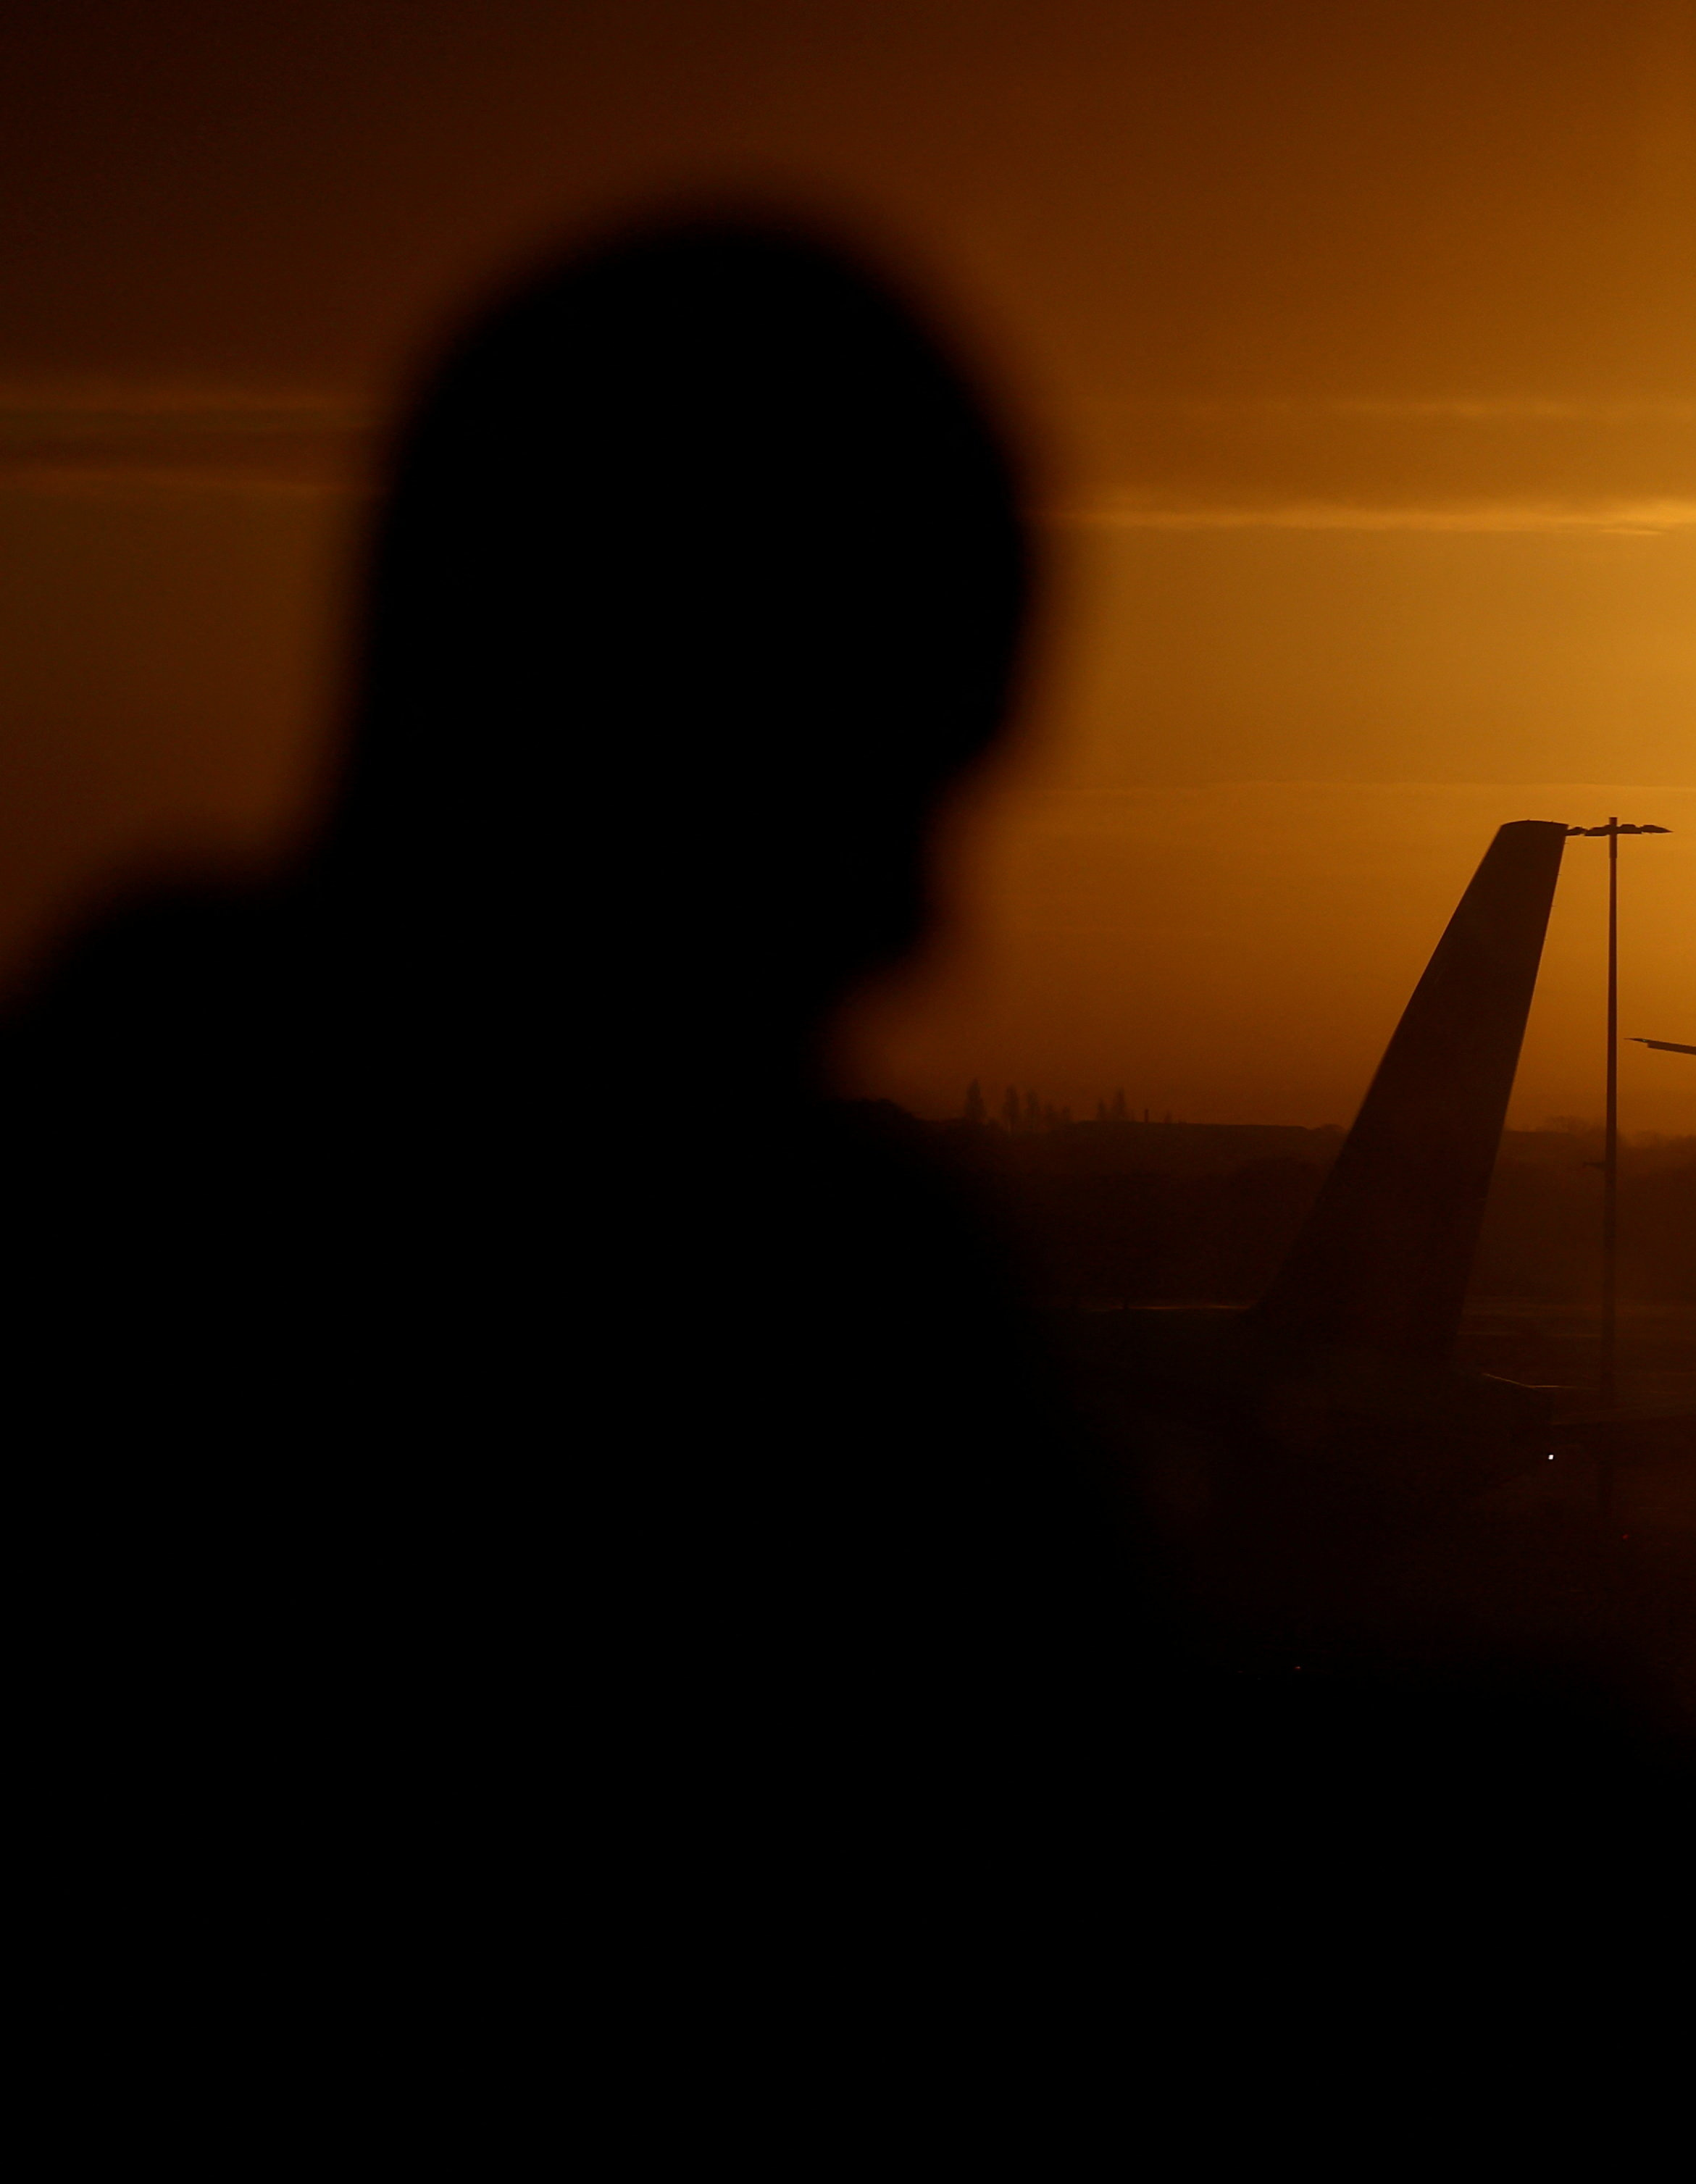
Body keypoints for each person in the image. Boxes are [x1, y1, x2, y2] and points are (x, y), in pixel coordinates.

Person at [1, 219, 1112, 1969]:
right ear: (617, 720)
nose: (922, 919)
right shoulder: (822, 1297)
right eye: (867, 781)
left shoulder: (116, 1190)